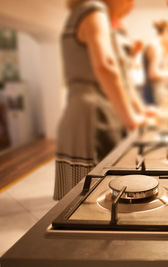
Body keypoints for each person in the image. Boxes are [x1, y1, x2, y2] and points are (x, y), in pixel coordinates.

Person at [55, 0, 147, 200]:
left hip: (81, 112)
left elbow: (120, 75)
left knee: (80, 200)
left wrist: (138, 110)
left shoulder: (83, 12)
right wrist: (130, 118)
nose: (132, 3)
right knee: (95, 198)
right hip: (94, 116)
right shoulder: (94, 11)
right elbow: (106, 66)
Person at [141, 20, 168, 105]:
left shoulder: (163, 49)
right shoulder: (155, 47)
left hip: (160, 92)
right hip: (152, 93)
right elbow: (153, 74)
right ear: (163, 34)